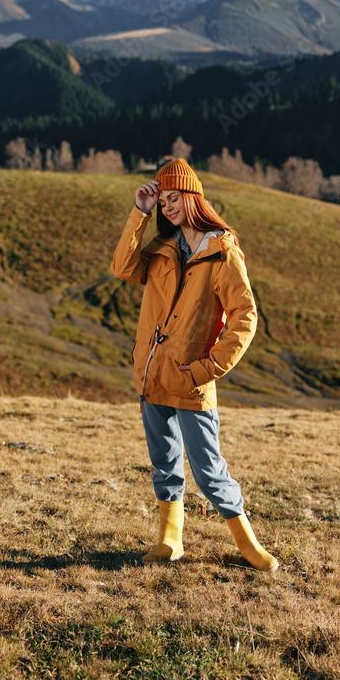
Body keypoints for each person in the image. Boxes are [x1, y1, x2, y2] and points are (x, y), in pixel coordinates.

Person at [111, 158, 279, 572]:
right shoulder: (162, 249)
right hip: (153, 374)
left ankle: (247, 544)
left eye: (173, 198)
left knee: (208, 470)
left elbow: (246, 316)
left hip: (191, 380)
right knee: (164, 463)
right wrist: (139, 212)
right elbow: (122, 267)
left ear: (193, 197)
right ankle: (170, 540)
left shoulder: (222, 252)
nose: (167, 206)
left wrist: (208, 368)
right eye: (162, 200)